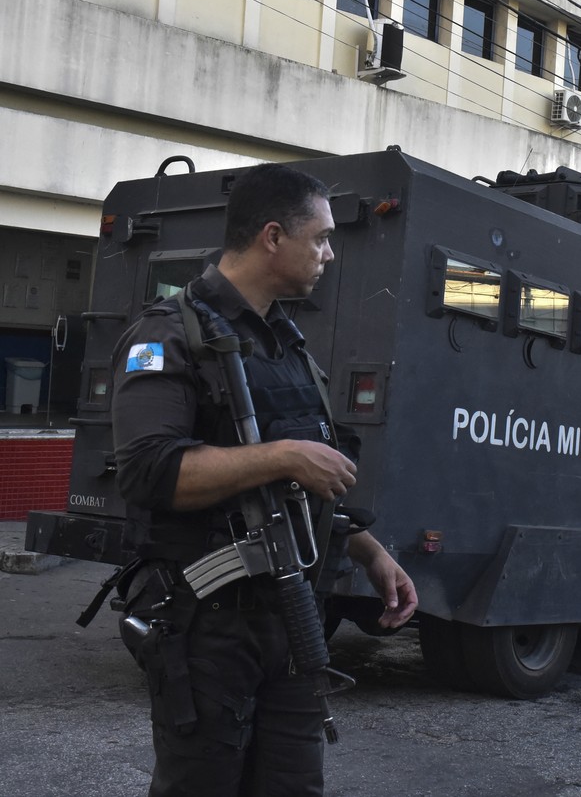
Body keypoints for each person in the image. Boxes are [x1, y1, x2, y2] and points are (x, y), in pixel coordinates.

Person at [110, 163, 419, 796]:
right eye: (321, 238)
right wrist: (282, 455)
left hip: (292, 616)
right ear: (273, 237)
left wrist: (368, 549)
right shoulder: (170, 334)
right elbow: (149, 469)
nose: (330, 253)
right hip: (205, 625)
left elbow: (298, 484)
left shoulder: (286, 343)